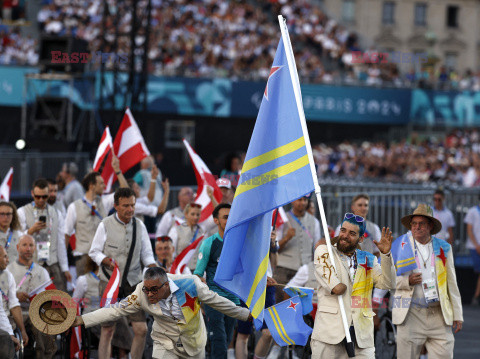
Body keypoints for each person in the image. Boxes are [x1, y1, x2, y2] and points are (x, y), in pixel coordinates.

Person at [71, 267, 251, 359]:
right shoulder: (141, 292)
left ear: (166, 285)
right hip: (164, 343)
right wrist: (81, 319)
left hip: (194, 342)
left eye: (154, 290)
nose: (149, 295)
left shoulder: (191, 284)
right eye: (147, 290)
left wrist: (246, 314)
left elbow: (219, 303)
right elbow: (114, 310)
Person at [311, 213, 395, 358]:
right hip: (329, 336)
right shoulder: (325, 251)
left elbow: (388, 283)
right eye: (343, 230)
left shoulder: (369, 259)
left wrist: (386, 255)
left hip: (361, 338)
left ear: (361, 238)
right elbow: (336, 287)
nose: (345, 236)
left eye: (352, 233)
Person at [88, 187, 157, 359]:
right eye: (126, 206)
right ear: (116, 206)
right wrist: (106, 261)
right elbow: (94, 252)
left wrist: (153, 266)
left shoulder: (140, 225)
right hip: (109, 282)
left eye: (132, 205)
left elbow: (147, 254)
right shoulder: (105, 224)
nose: (130, 209)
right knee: (107, 328)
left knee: (141, 329)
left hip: (133, 282)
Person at [392, 204, 463, 359]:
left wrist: (457, 314)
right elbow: (385, 280)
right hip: (410, 314)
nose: (417, 227)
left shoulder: (444, 248)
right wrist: (406, 281)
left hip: (438, 314)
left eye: (422, 224)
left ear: (430, 226)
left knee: (444, 354)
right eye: (414, 224)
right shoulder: (400, 245)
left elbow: (452, 283)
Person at [65, 159, 128, 276]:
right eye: (101, 183)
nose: (105, 186)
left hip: (102, 258)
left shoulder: (105, 202)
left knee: (104, 292)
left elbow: (125, 193)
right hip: (83, 257)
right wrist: (64, 266)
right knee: (83, 293)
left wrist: (118, 171)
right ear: (92, 186)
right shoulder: (74, 207)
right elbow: (67, 235)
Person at [194, 203, 241, 359]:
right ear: (216, 220)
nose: (229, 219)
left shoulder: (240, 243)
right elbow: (198, 274)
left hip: (234, 300)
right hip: (214, 299)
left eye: (231, 216)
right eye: (225, 217)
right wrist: (203, 295)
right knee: (219, 340)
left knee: (226, 341)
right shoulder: (209, 243)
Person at [17, 178, 71, 291]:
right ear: (32, 194)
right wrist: (30, 231)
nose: (41, 200)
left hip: (53, 263)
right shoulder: (22, 212)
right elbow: (16, 240)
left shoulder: (57, 213)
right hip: (32, 264)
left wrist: (65, 268)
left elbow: (60, 242)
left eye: (44, 197)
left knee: (59, 300)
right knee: (34, 301)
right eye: (38, 197)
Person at [8, 235, 55, 358]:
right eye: (24, 245)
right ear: (18, 247)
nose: (28, 249)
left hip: (36, 312)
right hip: (15, 313)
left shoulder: (42, 271)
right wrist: (16, 297)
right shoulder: (9, 270)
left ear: (35, 248)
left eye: (31, 245)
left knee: (45, 326)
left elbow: (50, 298)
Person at [276, 196, 321, 301]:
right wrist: (286, 238)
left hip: (304, 272)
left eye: (305, 200)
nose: (303, 203)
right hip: (283, 270)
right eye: (299, 200)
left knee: (303, 307)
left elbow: (317, 249)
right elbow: (275, 248)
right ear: (292, 201)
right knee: (280, 304)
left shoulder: (314, 222)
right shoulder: (283, 219)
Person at [0, 246, 28, 346]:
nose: (8, 260)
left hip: (7, 323)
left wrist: (23, 331)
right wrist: (10, 335)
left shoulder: (8, 275)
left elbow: (14, 305)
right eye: (4, 257)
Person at [168, 202, 204, 270]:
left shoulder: (202, 231)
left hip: (198, 270)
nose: (195, 217)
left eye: (198, 214)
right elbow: (171, 251)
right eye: (192, 214)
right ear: (186, 214)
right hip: (182, 270)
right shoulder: (176, 230)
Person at [465, 196, 480, 305]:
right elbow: (469, 230)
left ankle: (476, 296)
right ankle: (476, 296)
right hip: (474, 246)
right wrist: (476, 245)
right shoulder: (472, 211)